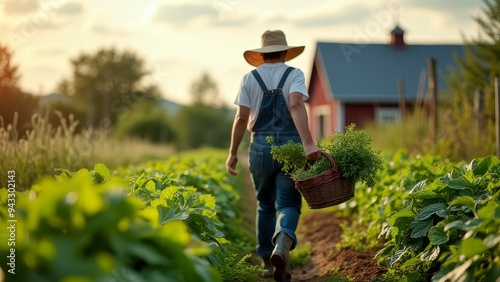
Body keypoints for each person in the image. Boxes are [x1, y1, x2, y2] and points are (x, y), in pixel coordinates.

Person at [225, 30, 321, 281]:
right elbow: (296, 105)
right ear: (285, 52)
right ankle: (282, 239)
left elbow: (241, 118)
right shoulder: (295, 74)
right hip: (290, 146)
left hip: (259, 148)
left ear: (262, 54)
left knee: (264, 205)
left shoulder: (249, 78)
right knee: (288, 204)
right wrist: (308, 144)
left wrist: (233, 152)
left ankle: (267, 261)